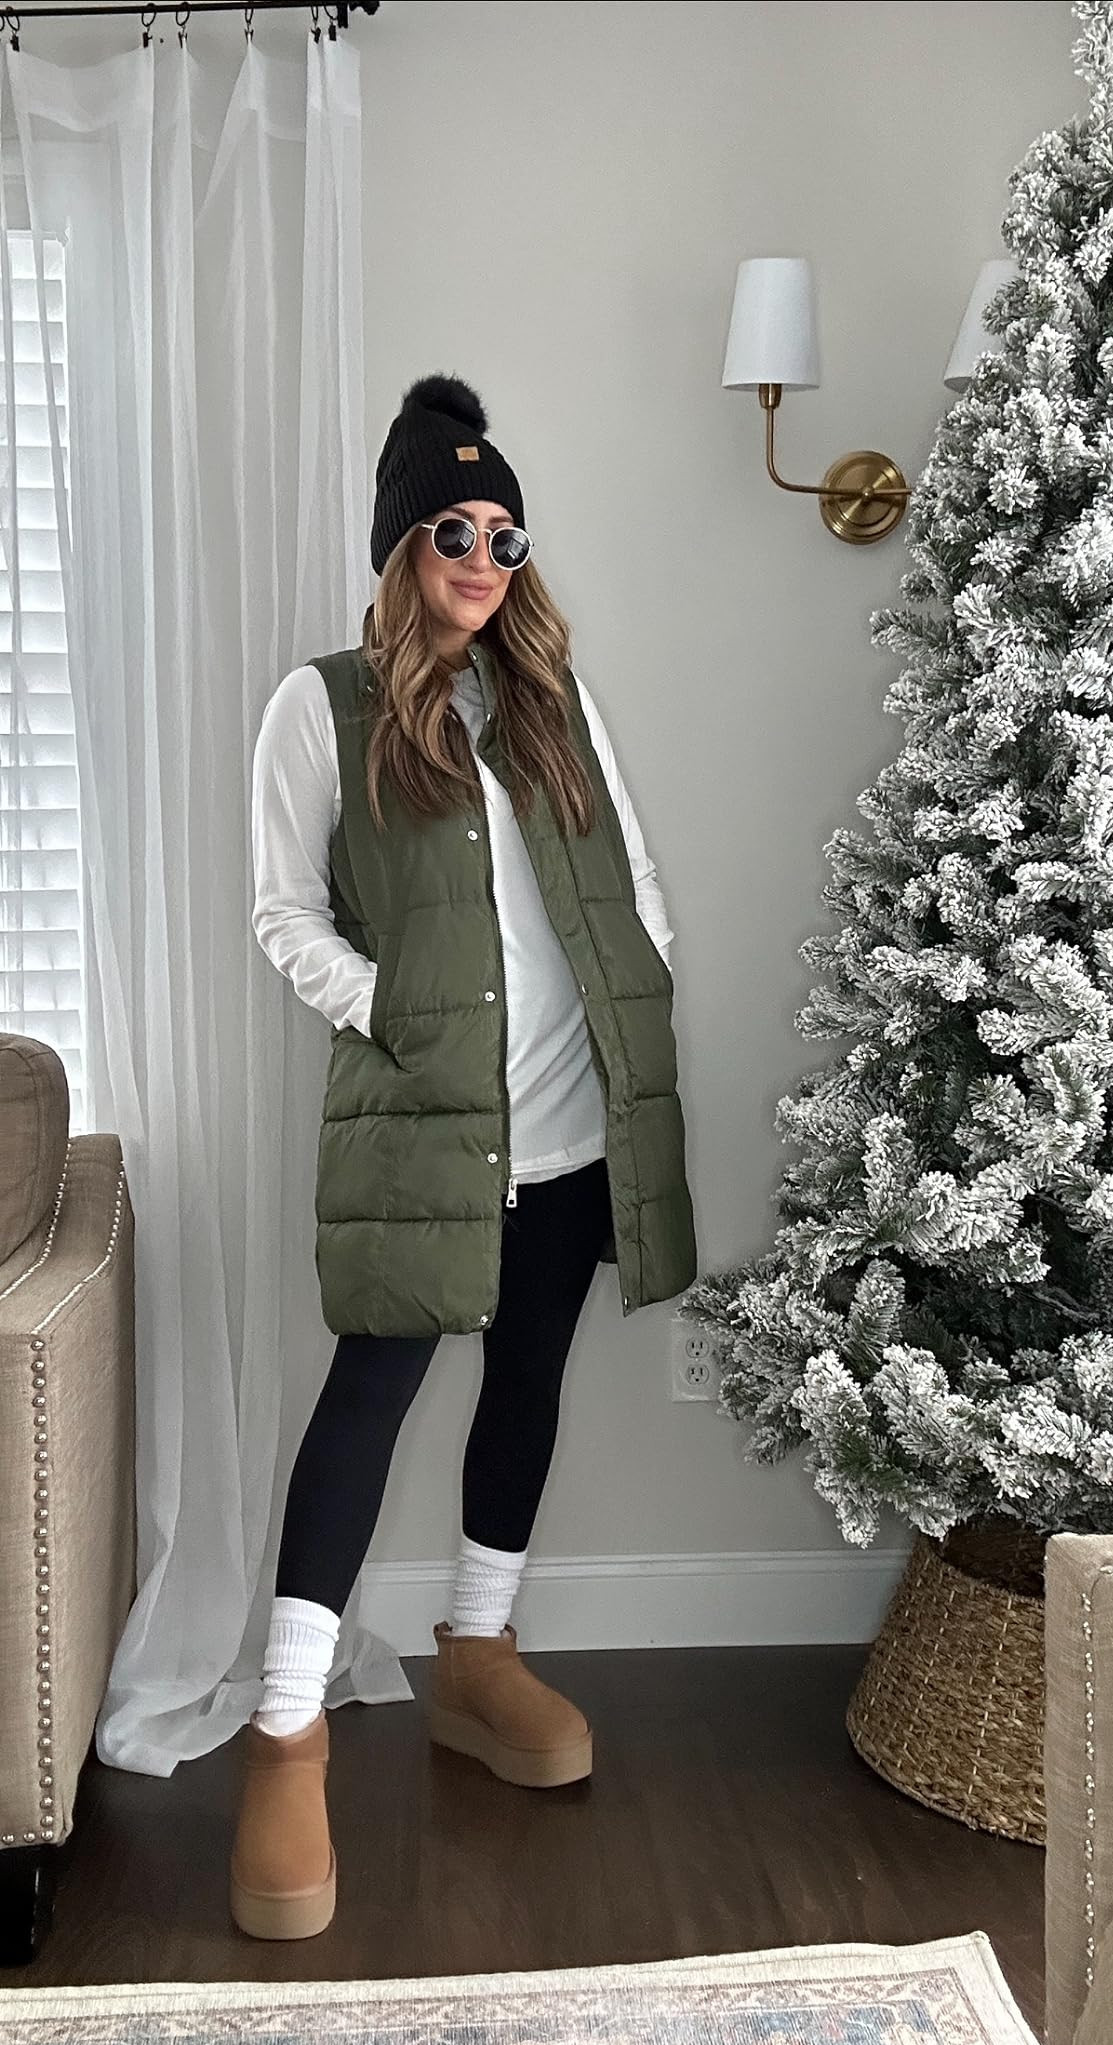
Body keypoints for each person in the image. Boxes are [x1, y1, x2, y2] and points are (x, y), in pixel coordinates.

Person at [234, 373, 697, 1941]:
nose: (486, 558)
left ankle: (479, 1655)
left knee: (528, 1376)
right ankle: (286, 1728)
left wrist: (648, 972)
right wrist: (388, 1008)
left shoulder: (553, 699)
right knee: (372, 1393)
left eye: (507, 534)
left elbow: (631, 870)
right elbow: (282, 911)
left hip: (568, 1112)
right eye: (455, 529)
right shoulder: (323, 708)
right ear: (402, 545)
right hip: (431, 1119)